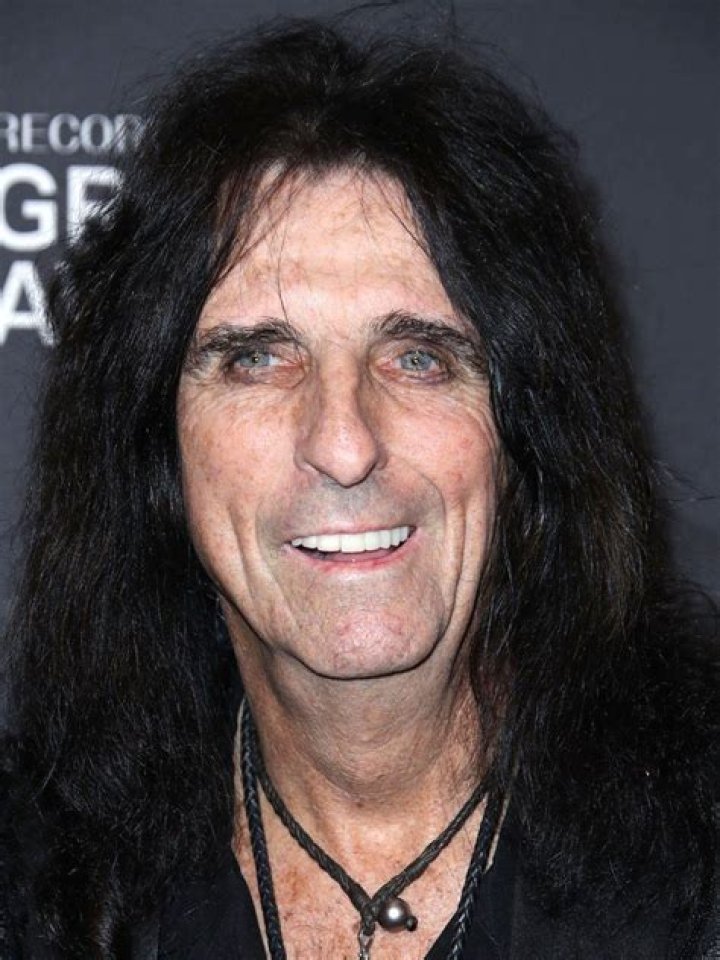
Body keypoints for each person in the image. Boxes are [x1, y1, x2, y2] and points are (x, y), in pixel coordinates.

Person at [1, 18, 717, 960]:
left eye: (419, 357)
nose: (344, 446)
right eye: (257, 359)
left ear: (526, 431)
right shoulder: (41, 888)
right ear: (157, 445)